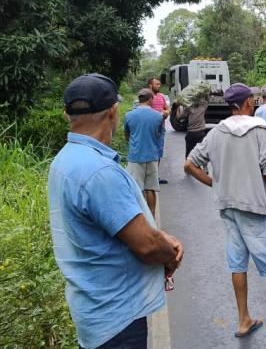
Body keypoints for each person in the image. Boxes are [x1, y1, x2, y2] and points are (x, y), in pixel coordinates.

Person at [48, 73, 183, 349]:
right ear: (113, 112)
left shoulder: (65, 160)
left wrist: (158, 239)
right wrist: (169, 253)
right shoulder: (100, 172)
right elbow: (146, 246)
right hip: (118, 319)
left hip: (94, 310)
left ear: (66, 114)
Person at [184, 83, 266, 339]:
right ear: (248, 102)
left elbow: (190, 164)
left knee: (237, 265)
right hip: (256, 209)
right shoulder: (260, 131)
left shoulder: (217, 132)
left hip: (228, 208)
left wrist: (214, 184)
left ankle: (244, 320)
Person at [124, 88, 164, 218]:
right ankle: (151, 217)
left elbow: (127, 135)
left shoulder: (129, 115)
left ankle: (138, 218)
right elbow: (159, 135)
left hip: (135, 157)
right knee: (151, 188)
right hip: (152, 156)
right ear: (150, 99)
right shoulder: (158, 116)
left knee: (135, 189)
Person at [147, 77, 171, 178]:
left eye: (159, 84)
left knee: (159, 151)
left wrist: (167, 112)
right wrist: (160, 114)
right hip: (150, 129)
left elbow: (167, 109)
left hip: (161, 129)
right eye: (156, 84)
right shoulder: (146, 97)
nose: (158, 86)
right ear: (150, 85)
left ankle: (155, 176)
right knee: (149, 151)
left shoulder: (161, 96)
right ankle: (149, 175)